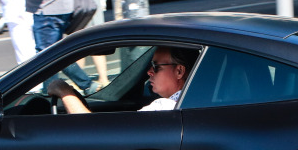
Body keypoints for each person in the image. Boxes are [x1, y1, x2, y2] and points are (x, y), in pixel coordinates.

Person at [48, 46, 196, 115]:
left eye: (156, 66)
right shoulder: (194, 102)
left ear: (179, 71)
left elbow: (95, 135)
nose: (149, 72)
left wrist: (64, 91)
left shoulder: (163, 107)